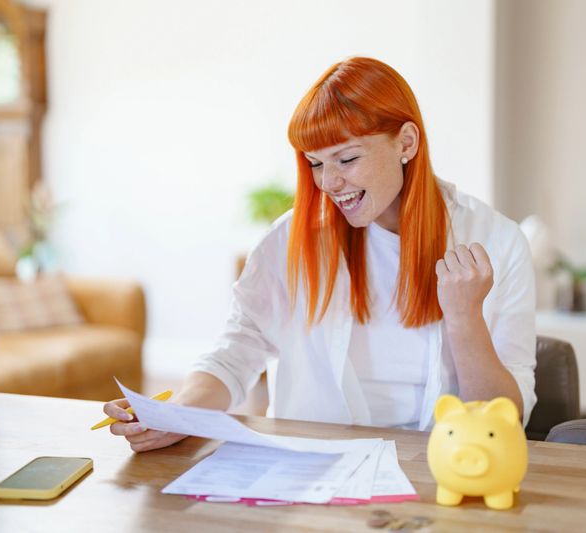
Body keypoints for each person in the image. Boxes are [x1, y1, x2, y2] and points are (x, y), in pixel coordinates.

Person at [103, 57, 536, 452]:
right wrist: (176, 414)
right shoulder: (291, 239)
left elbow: (507, 419)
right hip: (311, 475)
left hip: (445, 470)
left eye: (346, 159)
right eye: (315, 163)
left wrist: (464, 318)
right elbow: (236, 352)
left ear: (406, 143)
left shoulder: (498, 242)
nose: (327, 183)